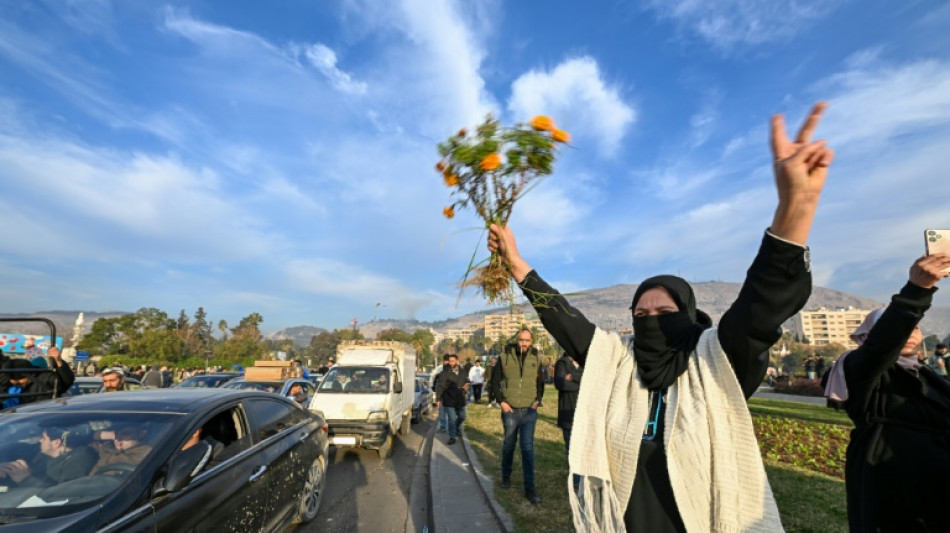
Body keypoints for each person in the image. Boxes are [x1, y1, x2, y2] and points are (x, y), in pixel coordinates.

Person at [488, 102, 833, 530]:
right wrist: (518, 265)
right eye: (640, 313)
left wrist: (796, 205)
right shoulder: (618, 360)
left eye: (665, 311)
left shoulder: (717, 358)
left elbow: (762, 301)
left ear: (688, 314)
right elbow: (565, 320)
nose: (651, 320)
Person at [822, 255, 950, 531]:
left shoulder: (925, 373)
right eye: (905, 327)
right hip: (893, 483)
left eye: (915, 328)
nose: (911, 333)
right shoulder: (862, 370)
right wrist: (917, 291)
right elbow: (883, 345)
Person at [489, 328, 545, 505]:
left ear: (531, 341)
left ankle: (530, 488)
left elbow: (540, 382)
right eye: (522, 340)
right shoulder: (505, 356)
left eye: (528, 341)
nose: (524, 344)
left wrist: (538, 400)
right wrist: (502, 402)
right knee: (508, 445)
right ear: (517, 339)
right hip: (510, 410)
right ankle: (506, 476)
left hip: (529, 411)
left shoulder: (535, 357)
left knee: (527, 448)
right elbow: (495, 381)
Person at [0, 425, 97, 486]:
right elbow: (11, 449)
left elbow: (63, 494)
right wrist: (6, 466)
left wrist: (26, 478)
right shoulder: (40, 451)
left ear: (56, 443)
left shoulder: (79, 460)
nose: (40, 441)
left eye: (43, 438)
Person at [4, 346, 74, 405]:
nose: (14, 382)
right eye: (12, 379)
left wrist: (58, 361)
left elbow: (65, 382)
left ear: (27, 375)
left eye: (18, 379)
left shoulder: (44, 378)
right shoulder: (10, 386)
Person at [554, 352, 583, 489]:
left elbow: (592, 381)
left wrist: (571, 377)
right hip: (568, 413)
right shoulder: (562, 363)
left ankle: (584, 476)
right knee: (571, 448)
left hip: (584, 412)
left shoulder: (585, 361)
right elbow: (561, 384)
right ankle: (576, 479)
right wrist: (581, 383)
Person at [436, 354, 469, 445]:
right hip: (449, 399)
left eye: (453, 361)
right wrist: (438, 399)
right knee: (452, 419)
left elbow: (466, 381)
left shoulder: (463, 371)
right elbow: (440, 386)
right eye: (450, 361)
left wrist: (467, 386)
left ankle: (456, 427)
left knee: (462, 416)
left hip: (460, 399)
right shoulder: (444, 373)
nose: (451, 363)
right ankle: (452, 436)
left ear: (457, 361)